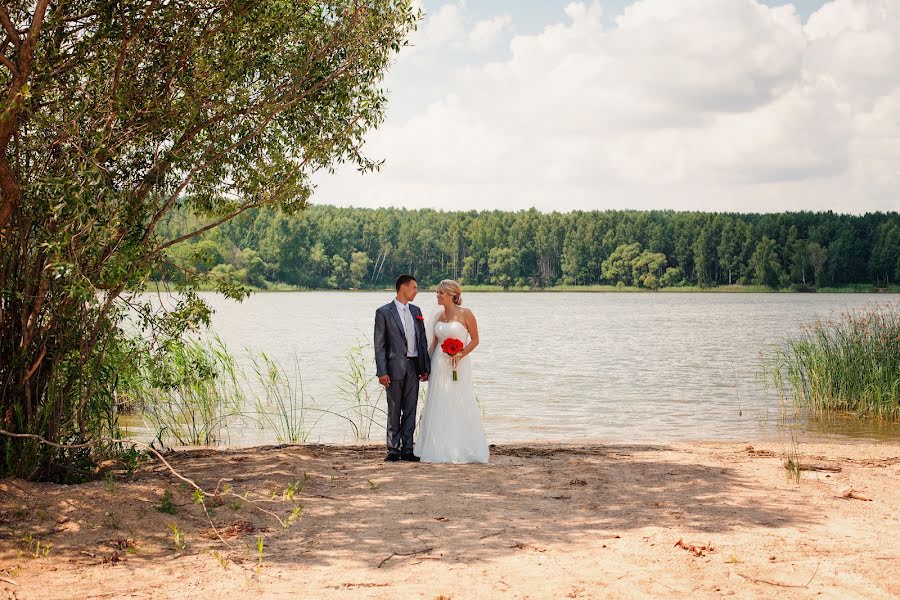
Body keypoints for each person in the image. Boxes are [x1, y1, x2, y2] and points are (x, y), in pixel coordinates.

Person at [415, 279, 489, 464]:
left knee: (458, 400)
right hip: (439, 363)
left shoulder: (466, 314)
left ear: (451, 295)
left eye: (441, 293)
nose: (437, 296)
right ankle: (438, 446)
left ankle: (460, 446)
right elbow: (433, 344)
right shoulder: (438, 316)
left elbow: (475, 339)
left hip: (458, 363)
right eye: (437, 293)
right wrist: (425, 367)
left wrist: (460, 354)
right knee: (438, 401)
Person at [374, 274, 430, 462]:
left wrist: (425, 367)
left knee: (411, 408)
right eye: (414, 287)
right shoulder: (383, 312)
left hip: (413, 366)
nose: (416, 291)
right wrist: (382, 371)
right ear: (403, 287)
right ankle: (393, 449)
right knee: (394, 408)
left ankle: (408, 448)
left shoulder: (416, 311)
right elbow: (380, 345)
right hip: (393, 367)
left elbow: (422, 341)